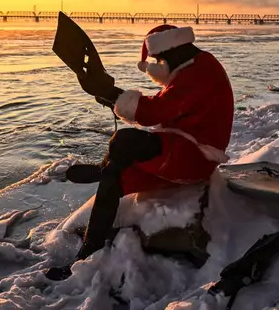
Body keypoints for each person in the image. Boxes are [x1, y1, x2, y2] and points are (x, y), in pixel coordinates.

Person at [45, 24, 234, 281]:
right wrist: (112, 98)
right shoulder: (192, 68)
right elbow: (163, 106)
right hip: (180, 149)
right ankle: (87, 253)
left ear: (172, 51)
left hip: (195, 158)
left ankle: (103, 168)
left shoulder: (199, 73)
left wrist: (111, 93)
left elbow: (156, 111)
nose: (155, 64)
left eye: (157, 59)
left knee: (124, 139)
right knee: (115, 179)